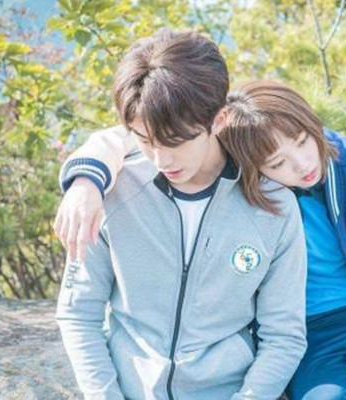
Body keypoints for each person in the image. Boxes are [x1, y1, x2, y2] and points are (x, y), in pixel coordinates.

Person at [56, 78, 346, 400]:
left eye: (304, 142)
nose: (301, 165)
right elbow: (139, 136)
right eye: (277, 164)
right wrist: (86, 179)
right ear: (253, 164)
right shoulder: (244, 175)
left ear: (312, 124)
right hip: (312, 334)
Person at [54, 32, 308, 400]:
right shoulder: (111, 189)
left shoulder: (274, 208)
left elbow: (284, 336)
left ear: (218, 120)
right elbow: (78, 313)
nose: (161, 159)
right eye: (145, 140)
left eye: (175, 141)